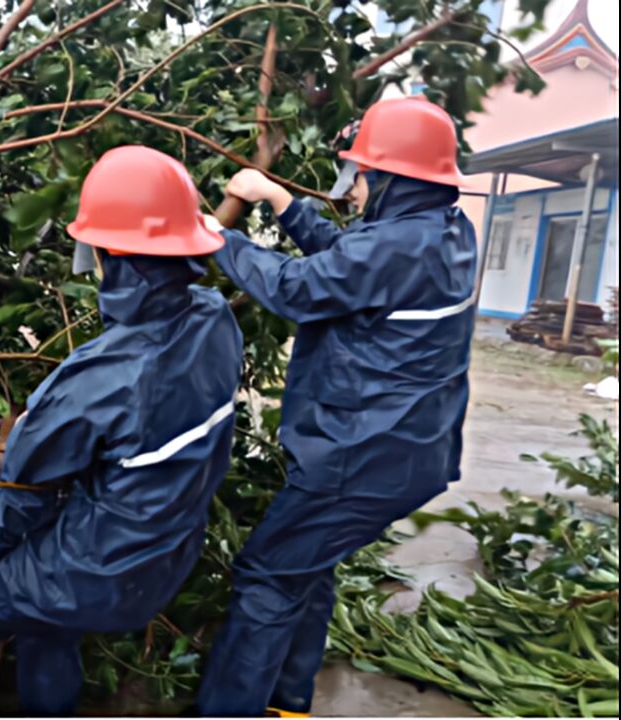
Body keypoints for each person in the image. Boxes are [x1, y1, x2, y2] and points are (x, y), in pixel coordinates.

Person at [0, 146, 243, 715]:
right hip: (169, 553)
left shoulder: (99, 376)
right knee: (43, 610)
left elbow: (25, 488)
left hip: (101, 573)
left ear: (108, 253)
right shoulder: (215, 317)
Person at [196, 97, 477, 717]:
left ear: (394, 179)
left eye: (361, 175)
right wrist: (281, 201)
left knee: (267, 576)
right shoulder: (443, 229)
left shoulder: (398, 244)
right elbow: (351, 262)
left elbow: (299, 287)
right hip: (405, 450)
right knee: (307, 566)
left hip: (361, 457)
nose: (350, 190)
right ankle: (288, 702)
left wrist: (213, 237)